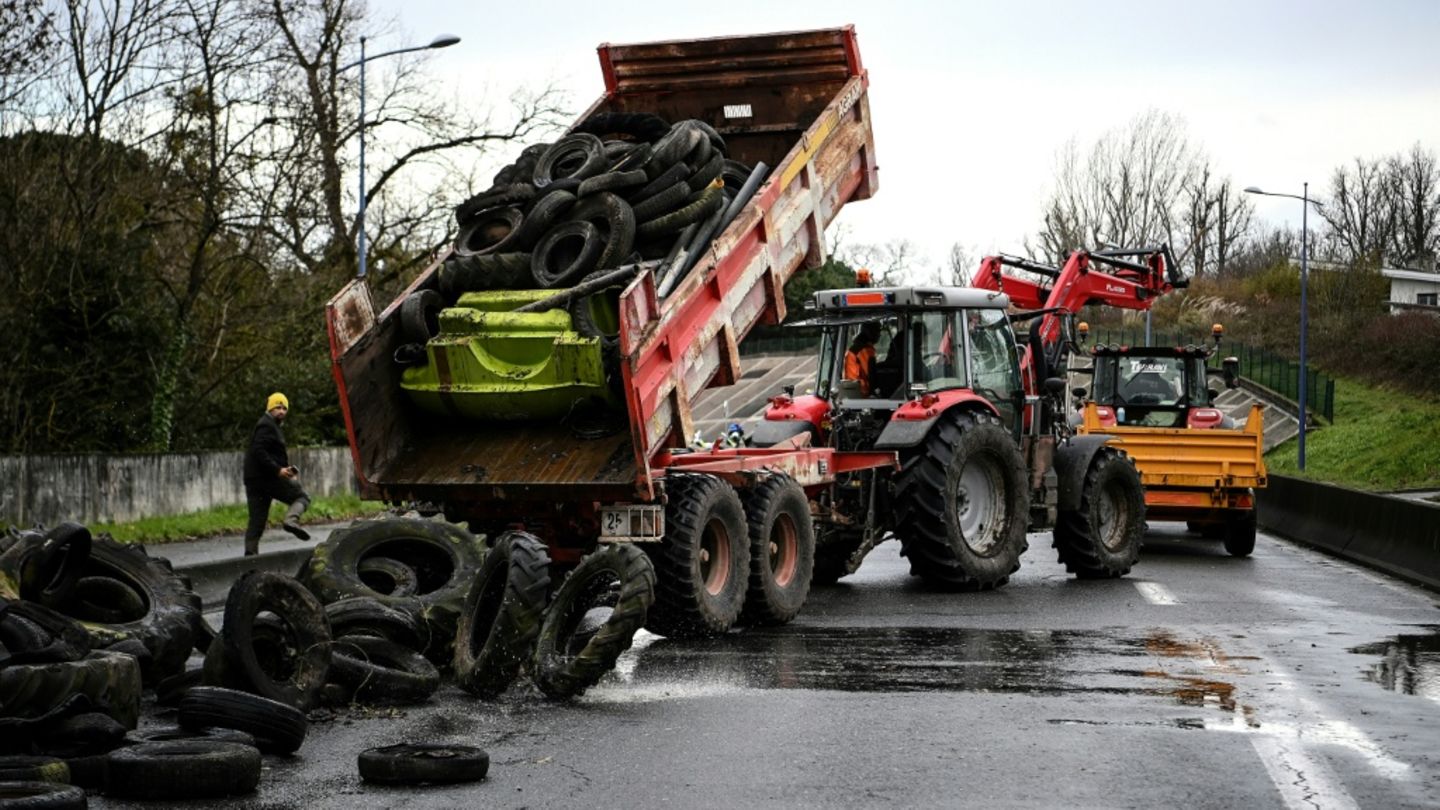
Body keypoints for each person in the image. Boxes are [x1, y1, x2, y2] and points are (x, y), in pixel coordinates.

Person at [243, 392, 311, 556]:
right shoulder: (267, 425)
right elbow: (259, 451)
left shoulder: (268, 425)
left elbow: (268, 452)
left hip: (253, 480)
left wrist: (286, 469)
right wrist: (278, 470)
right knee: (302, 497)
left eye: (284, 408)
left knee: (256, 522)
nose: (281, 411)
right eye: (277, 407)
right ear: (270, 409)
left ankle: (250, 558)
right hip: (267, 478)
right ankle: (291, 521)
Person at [843, 322, 879, 396]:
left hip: (852, 390)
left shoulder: (855, 348)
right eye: (878, 331)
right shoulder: (864, 350)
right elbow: (871, 375)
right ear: (870, 332)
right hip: (862, 392)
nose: (879, 335)